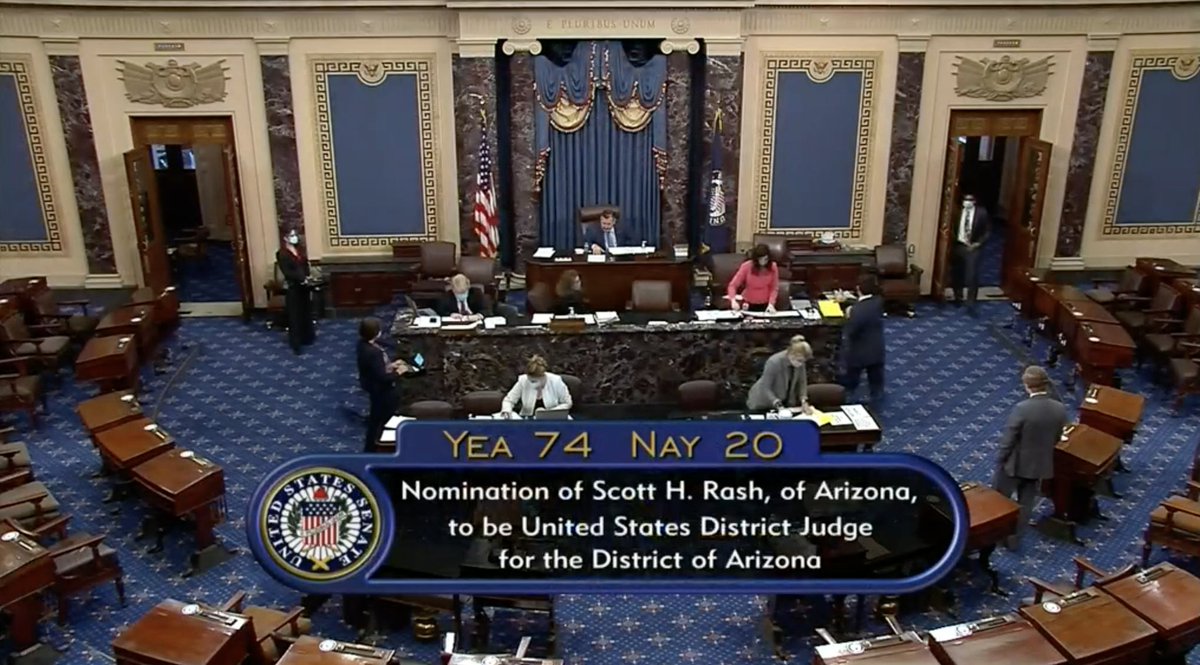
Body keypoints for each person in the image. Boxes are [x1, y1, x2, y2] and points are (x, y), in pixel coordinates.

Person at [993, 365, 1066, 549]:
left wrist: (1000, 458)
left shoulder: (1022, 409)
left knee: (1000, 499)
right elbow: (1057, 438)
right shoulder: (1059, 408)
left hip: (1013, 465)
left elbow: (1009, 439)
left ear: (1027, 385)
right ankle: (1014, 540)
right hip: (1038, 465)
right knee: (1025, 505)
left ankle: (996, 535)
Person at [357, 317, 410, 452]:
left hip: (373, 388)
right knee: (383, 421)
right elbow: (383, 378)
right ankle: (382, 449)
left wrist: (390, 365)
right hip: (382, 391)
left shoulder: (362, 345)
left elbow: (375, 369)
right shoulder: (374, 352)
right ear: (377, 333)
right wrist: (399, 372)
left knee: (375, 419)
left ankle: (370, 448)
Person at [840, 275, 886, 402]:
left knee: (851, 380)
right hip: (877, 350)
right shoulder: (878, 301)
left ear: (858, 288)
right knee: (876, 380)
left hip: (859, 353)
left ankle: (849, 396)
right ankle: (877, 398)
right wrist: (852, 301)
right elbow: (865, 305)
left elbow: (850, 331)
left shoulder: (856, 311)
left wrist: (849, 315)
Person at [746, 336, 814, 414]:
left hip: (784, 401)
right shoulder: (774, 362)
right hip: (762, 402)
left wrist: (803, 400)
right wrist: (777, 403)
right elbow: (765, 387)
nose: (801, 364)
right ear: (792, 354)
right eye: (800, 361)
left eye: (803, 361)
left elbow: (802, 382)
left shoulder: (800, 362)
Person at [950, 193, 991, 313]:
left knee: (971, 275)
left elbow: (987, 231)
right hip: (959, 245)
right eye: (965, 199)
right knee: (957, 273)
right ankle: (958, 297)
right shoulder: (957, 211)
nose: (967, 202)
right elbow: (952, 227)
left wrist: (978, 243)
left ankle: (970, 302)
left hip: (973, 247)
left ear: (974, 201)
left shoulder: (981, 213)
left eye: (969, 200)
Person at [277, 228, 315, 354]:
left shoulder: (299, 250)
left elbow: (304, 265)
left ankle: (307, 338)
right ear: (285, 238)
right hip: (293, 287)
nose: (295, 237)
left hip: (304, 287)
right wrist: (301, 278)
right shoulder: (282, 254)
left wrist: (307, 277)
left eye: (295, 235)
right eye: (292, 235)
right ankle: (296, 344)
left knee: (305, 312)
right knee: (294, 316)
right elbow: (288, 271)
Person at [501, 355, 572, 418]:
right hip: (528, 420)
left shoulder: (556, 381)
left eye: (534, 381)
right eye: (530, 380)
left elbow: (567, 403)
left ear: (543, 376)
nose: (532, 384)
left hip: (552, 420)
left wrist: (548, 412)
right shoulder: (523, 380)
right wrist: (506, 410)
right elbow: (509, 400)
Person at [726, 244, 780, 312]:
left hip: (766, 305)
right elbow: (733, 285)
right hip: (748, 303)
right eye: (760, 259)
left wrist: (771, 304)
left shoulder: (773, 267)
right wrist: (733, 301)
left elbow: (774, 288)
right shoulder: (746, 266)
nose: (763, 262)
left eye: (766, 259)